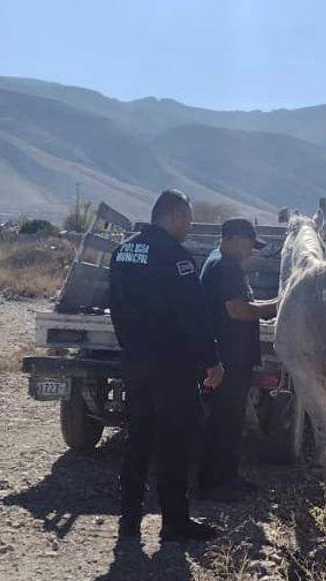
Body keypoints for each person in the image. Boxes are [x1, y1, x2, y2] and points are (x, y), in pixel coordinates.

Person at [109, 189, 225, 543]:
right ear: (174, 216)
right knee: (176, 441)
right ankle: (174, 522)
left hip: (136, 360)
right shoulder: (175, 256)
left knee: (138, 439)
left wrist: (129, 345)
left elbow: (114, 304)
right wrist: (212, 361)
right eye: (187, 219)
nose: (189, 226)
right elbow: (194, 314)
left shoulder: (123, 251)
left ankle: (128, 521)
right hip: (171, 364)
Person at [197, 219, 277, 500]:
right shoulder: (226, 266)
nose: (250, 251)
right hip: (228, 357)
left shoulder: (218, 261)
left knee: (227, 420)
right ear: (235, 239)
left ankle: (226, 477)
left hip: (230, 355)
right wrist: (275, 306)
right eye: (249, 245)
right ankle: (214, 484)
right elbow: (237, 310)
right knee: (225, 419)